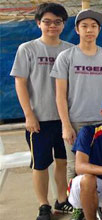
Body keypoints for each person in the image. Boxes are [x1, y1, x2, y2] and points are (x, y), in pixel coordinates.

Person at [10, 3, 73, 219]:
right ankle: (43, 204)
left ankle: (62, 200)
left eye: (57, 22)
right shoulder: (27, 49)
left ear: (64, 25)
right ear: (39, 23)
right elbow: (20, 83)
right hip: (39, 119)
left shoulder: (69, 50)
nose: (52, 26)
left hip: (65, 119)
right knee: (41, 163)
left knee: (64, 162)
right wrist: (29, 114)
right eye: (47, 21)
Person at [51, 9, 102, 181]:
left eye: (94, 26)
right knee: (75, 166)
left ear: (99, 30)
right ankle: (75, 206)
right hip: (75, 121)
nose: (89, 30)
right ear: (77, 30)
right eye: (84, 26)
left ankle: (100, 205)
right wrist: (66, 125)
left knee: (100, 163)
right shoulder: (66, 57)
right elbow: (60, 95)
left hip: (101, 121)